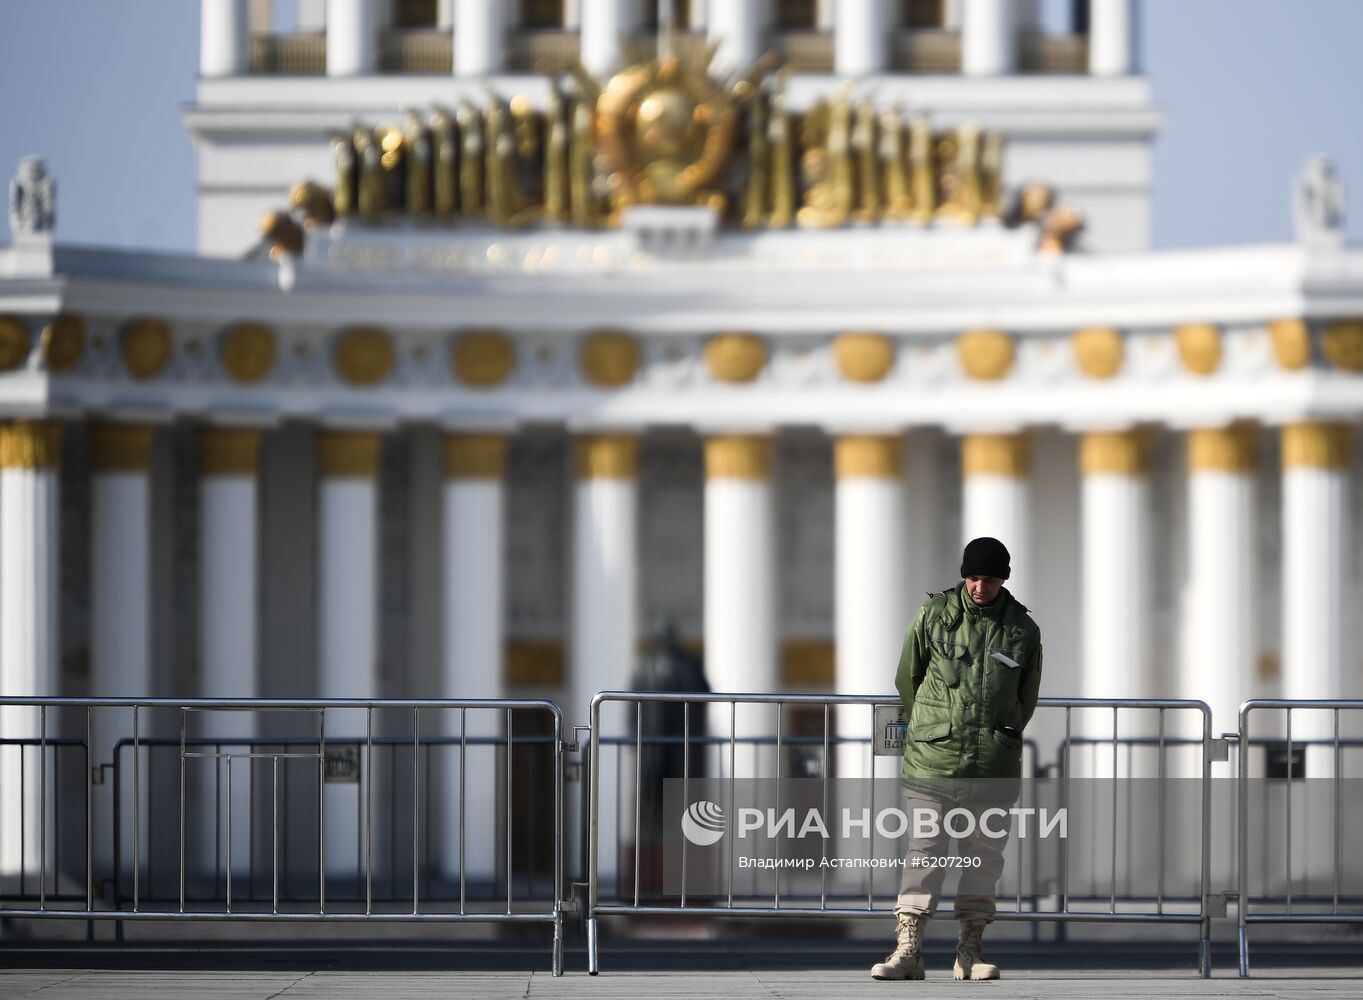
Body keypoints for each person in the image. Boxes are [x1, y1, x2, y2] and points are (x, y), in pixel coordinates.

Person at [870, 536, 1043, 982]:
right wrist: (929, 728)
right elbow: (907, 678)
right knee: (924, 852)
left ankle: (970, 952)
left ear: (1002, 578)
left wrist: (997, 736)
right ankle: (908, 949)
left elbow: (1025, 700)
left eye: (987, 578)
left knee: (983, 859)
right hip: (932, 763)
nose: (978, 586)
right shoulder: (933, 616)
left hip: (992, 767)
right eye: (972, 577)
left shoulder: (1023, 631)